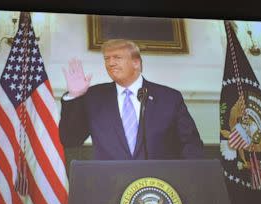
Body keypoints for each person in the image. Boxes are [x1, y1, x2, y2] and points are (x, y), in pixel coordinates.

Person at [59, 39, 204, 160]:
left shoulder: (169, 98)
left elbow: (191, 145)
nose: (110, 63)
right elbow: (70, 140)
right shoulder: (93, 97)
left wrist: (184, 181)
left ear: (136, 63)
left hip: (158, 187)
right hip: (111, 185)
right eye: (107, 59)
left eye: (117, 57)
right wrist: (75, 96)